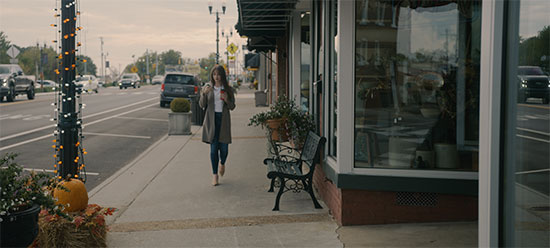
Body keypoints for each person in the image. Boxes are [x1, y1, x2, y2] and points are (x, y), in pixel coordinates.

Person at [199, 65, 236, 186]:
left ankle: (222, 163)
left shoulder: (228, 89)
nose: (217, 77)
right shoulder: (208, 88)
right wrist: (203, 94)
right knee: (213, 150)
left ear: (222, 75)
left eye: (219, 74)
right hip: (212, 121)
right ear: (212, 75)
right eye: (214, 74)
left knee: (224, 149)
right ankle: (215, 175)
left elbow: (232, 107)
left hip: (223, 121)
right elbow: (201, 105)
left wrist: (226, 100)